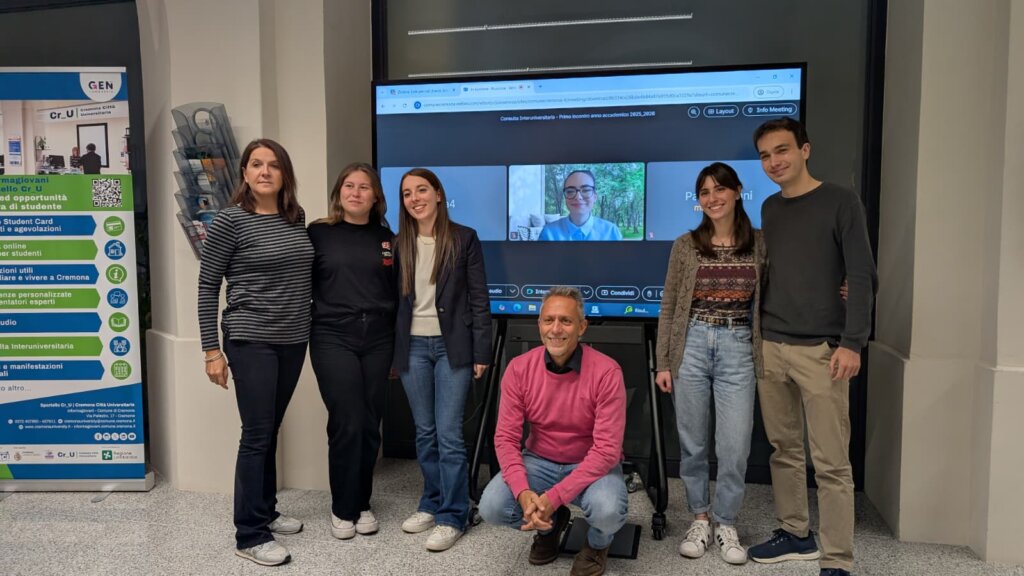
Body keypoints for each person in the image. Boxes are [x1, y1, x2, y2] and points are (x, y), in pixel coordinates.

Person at [746, 118, 877, 576]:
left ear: (805, 149)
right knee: (783, 449)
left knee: (831, 462)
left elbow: (861, 275)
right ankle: (795, 533)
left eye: (781, 150)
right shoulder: (769, 208)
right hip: (772, 345)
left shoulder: (841, 201)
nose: (773, 162)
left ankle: (837, 559)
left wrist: (853, 343)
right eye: (765, 155)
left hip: (823, 351)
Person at [197, 138, 314, 567]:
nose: (265, 171)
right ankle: (249, 534)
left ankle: (265, 510)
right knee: (257, 434)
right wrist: (211, 350)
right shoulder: (230, 220)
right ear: (244, 173)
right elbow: (208, 286)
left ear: (285, 174)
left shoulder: (295, 217)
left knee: (270, 428)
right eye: (256, 164)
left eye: (274, 165)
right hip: (250, 339)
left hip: (293, 339)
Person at [654, 162, 765, 566]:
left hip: (739, 347)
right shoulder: (685, 245)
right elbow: (669, 305)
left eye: (720, 189)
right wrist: (663, 361)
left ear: (737, 191)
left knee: (734, 446)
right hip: (692, 345)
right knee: (693, 443)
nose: (712, 198)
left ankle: (726, 521)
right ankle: (700, 518)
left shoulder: (760, 243)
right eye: (704, 192)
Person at [479, 286, 627, 576]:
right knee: (492, 507)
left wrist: (554, 496)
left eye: (566, 321)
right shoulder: (519, 369)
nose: (556, 329)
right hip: (539, 460)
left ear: (582, 327)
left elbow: (607, 451)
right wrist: (523, 493)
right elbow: (506, 439)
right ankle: (550, 527)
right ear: (539, 325)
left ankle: (597, 545)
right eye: (549, 320)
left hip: (591, 463)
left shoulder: (607, 372)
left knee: (608, 511)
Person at [393, 167, 492, 552]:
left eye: (421, 190)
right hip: (413, 347)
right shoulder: (398, 243)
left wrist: (481, 350)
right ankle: (431, 502)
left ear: (438, 194)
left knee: (449, 434)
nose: (414, 199)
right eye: (407, 193)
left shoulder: (464, 238)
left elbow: (479, 298)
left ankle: (454, 514)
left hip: (453, 347)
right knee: (425, 432)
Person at [307, 163, 397, 541]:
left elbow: (398, 293)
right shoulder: (318, 233)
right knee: (347, 419)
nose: (356, 192)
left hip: (378, 338)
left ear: (376, 197)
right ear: (339, 192)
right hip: (332, 336)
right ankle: (342, 507)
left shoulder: (388, 238)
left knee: (369, 421)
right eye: (349, 186)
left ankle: (362, 503)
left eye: (364, 187)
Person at [538, 170, 623, 241]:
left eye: (585, 190)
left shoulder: (611, 232)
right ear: (565, 197)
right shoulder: (548, 233)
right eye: (570, 191)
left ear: (595, 197)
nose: (578, 197)